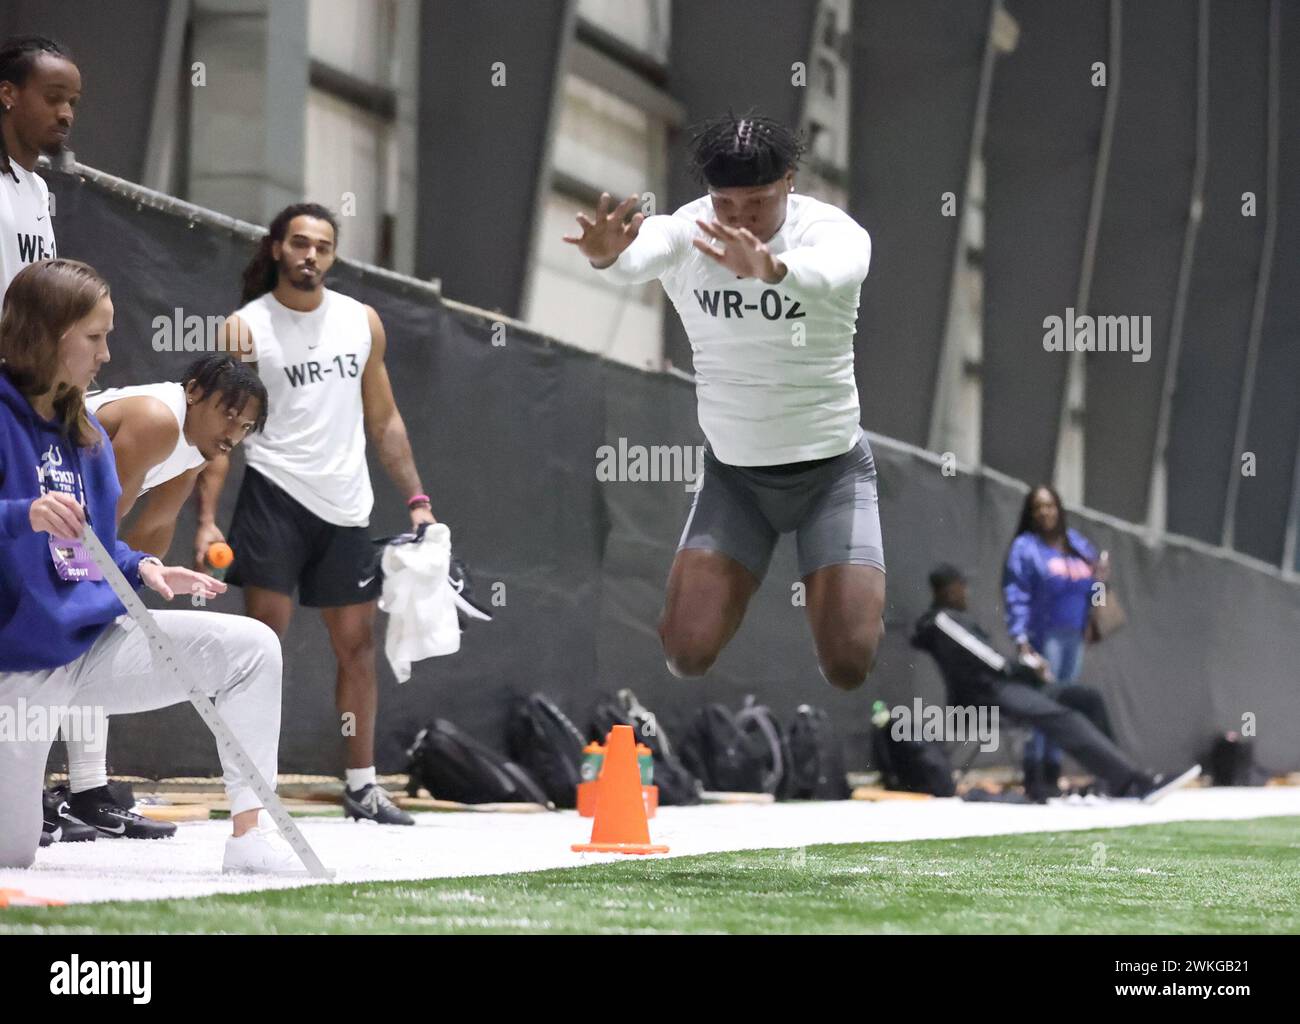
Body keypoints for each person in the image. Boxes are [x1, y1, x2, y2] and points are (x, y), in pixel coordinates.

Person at [565, 113, 883, 690]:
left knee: (848, 664)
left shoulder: (830, 232)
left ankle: (859, 588)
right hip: (735, 479)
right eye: (725, 206)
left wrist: (774, 268)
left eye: (756, 205)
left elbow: (834, 269)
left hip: (831, 474)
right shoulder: (688, 230)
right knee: (685, 653)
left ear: (789, 180)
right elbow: (640, 255)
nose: (739, 222)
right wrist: (608, 257)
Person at [0, 258, 295, 872]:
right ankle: (67, 789)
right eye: (96, 337)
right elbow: (39, 527)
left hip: (82, 646)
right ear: (50, 333)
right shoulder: (131, 420)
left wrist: (142, 568)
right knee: (11, 853)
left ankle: (248, 840)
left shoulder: (85, 434)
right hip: (15, 664)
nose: (108, 354)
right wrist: (19, 516)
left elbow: (94, 544)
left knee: (253, 649)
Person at [195, 203, 436, 825]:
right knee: (262, 647)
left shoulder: (362, 322)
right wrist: (206, 518)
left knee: (357, 646)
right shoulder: (245, 329)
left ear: (333, 255)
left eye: (323, 246)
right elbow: (222, 429)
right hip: (274, 496)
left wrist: (417, 501)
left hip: (347, 506)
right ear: (277, 248)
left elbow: (384, 420)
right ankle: (253, 792)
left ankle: (362, 786)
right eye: (299, 243)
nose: (311, 255)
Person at [40, 354, 268, 841]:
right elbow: (101, 519)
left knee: (97, 630)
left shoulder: (195, 446)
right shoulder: (158, 419)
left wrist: (138, 587)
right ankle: (30, 794)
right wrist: (104, 587)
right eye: (229, 412)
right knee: (54, 652)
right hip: (33, 528)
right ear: (193, 392)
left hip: (64, 539)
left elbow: (158, 525)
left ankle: (87, 793)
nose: (234, 431)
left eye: (246, 425)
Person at [912, 564, 1198, 802]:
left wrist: (1026, 671)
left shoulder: (957, 618)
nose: (966, 592)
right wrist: (1024, 669)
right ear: (949, 589)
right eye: (962, 586)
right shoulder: (942, 621)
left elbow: (991, 659)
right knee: (1061, 717)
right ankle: (1135, 783)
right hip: (986, 696)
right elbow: (990, 660)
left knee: (1085, 697)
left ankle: (1114, 782)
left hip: (1009, 687)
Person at [1003, 485, 1113, 797]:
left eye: (1049, 505)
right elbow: (1016, 593)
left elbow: (1095, 590)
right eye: (1038, 507)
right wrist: (1021, 639)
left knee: (1064, 707)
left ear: (1059, 508)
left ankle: (1053, 771)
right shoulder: (1025, 547)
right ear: (1030, 512)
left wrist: (1100, 583)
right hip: (1043, 637)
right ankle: (1035, 773)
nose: (1044, 512)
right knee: (1043, 706)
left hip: (1073, 638)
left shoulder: (1076, 543)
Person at [0, 35, 74, 295]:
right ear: (8, 93)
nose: (66, 114)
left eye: (72, 102)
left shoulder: (39, 189)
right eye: (53, 98)